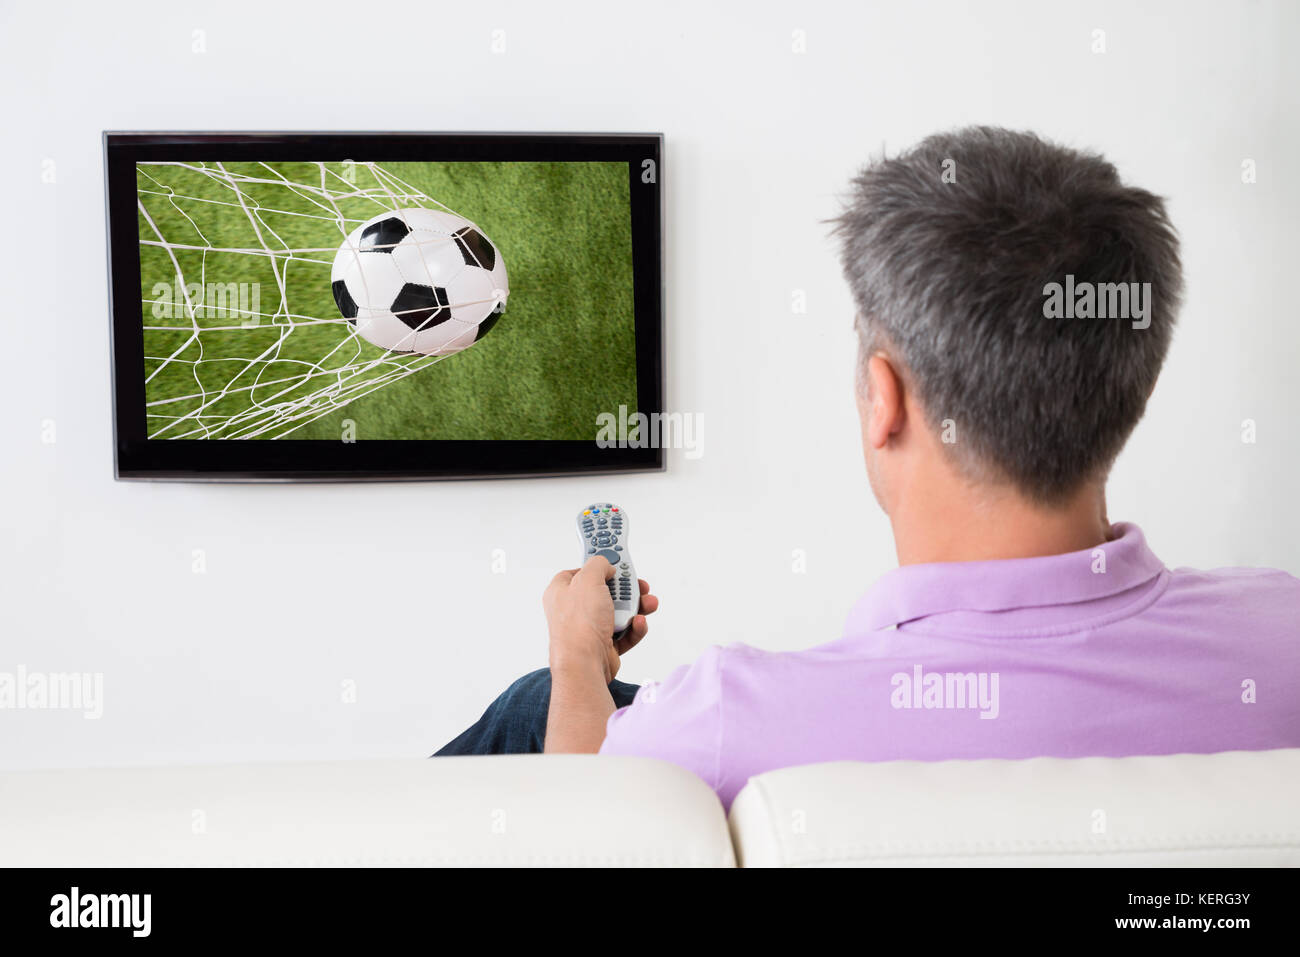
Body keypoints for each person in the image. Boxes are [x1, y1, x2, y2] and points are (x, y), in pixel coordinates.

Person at [435, 126, 1300, 808]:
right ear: (1133, 392)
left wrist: (576, 657)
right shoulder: (1283, 635)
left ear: (883, 398)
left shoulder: (726, 720)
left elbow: (589, 826)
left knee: (534, 701)